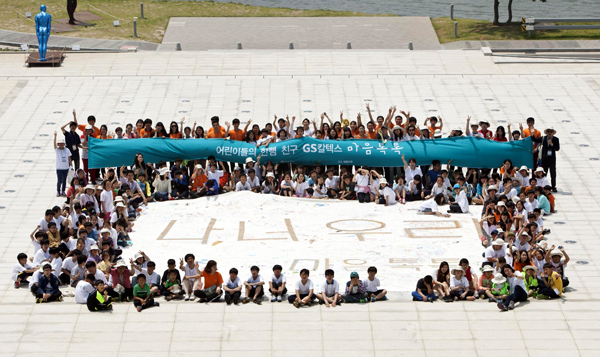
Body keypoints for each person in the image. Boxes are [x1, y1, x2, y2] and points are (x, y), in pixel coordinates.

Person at [54, 132, 72, 197]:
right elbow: (54, 145)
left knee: (64, 180)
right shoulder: (57, 150)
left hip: (65, 167)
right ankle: (58, 191)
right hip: (59, 167)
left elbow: (69, 157)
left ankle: (63, 191)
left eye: (62, 143)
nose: (61, 145)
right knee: (59, 180)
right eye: (60, 144)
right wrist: (55, 137)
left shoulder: (67, 150)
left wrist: (71, 164)